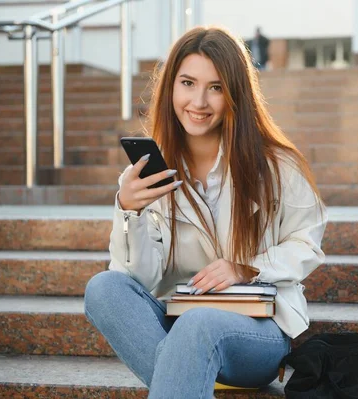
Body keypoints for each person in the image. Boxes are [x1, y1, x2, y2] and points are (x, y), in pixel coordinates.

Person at [84, 26, 327, 399]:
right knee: (104, 288)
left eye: (215, 87)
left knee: (199, 325)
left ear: (235, 95)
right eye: (187, 83)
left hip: (255, 334)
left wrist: (247, 266)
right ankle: (185, 370)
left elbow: (307, 243)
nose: (199, 101)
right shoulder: (148, 176)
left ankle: (181, 371)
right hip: (177, 324)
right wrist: (128, 212)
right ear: (171, 88)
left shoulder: (276, 166)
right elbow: (140, 279)